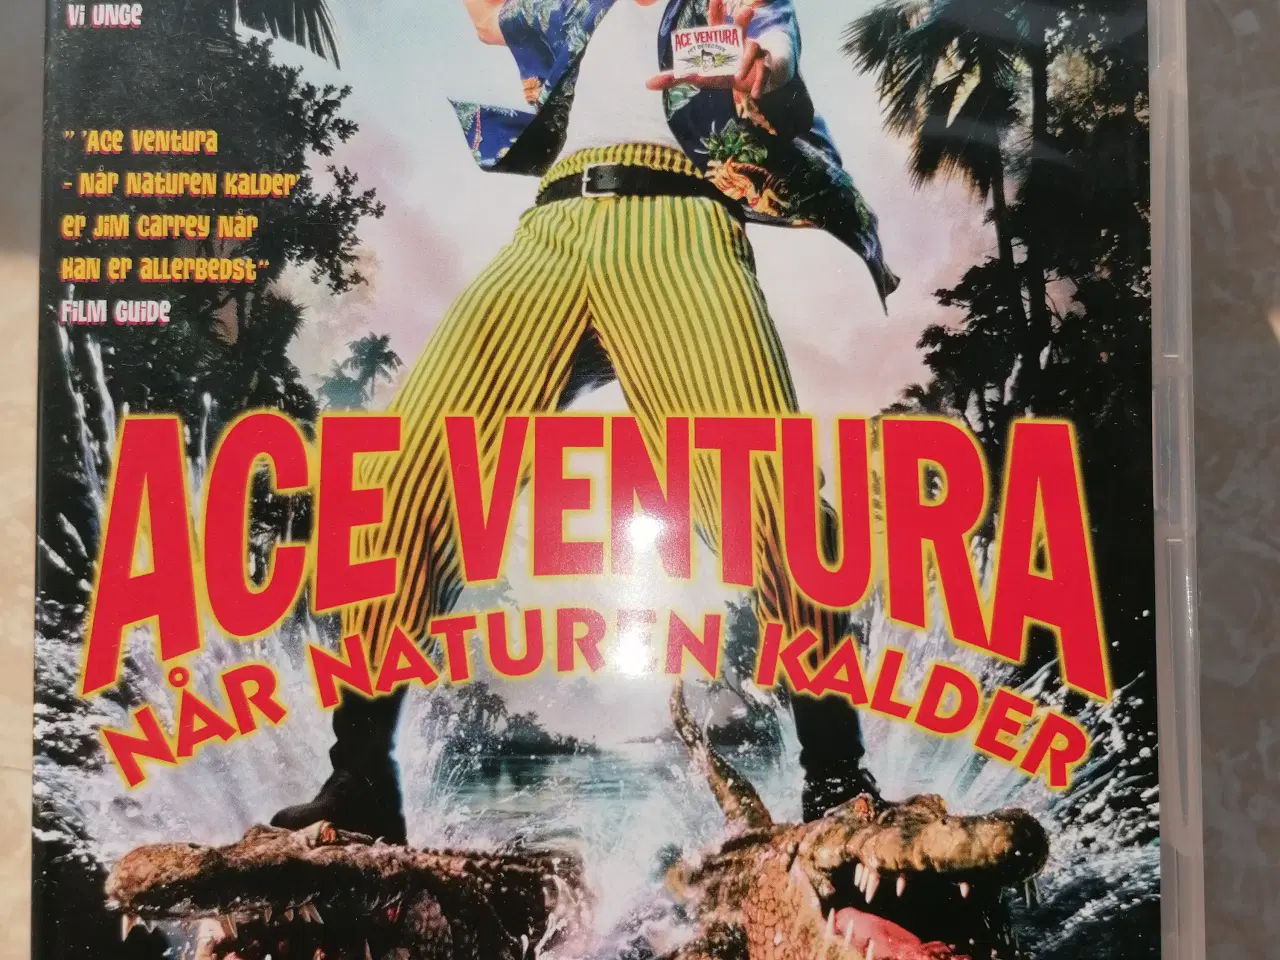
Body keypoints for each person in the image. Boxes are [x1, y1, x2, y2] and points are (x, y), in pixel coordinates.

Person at [272, 0, 899, 845]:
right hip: (551, 230)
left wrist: (766, 74)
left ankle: (837, 779)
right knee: (402, 473)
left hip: (681, 228)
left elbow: (778, 59)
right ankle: (359, 780)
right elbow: (486, 17)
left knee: (767, 488)